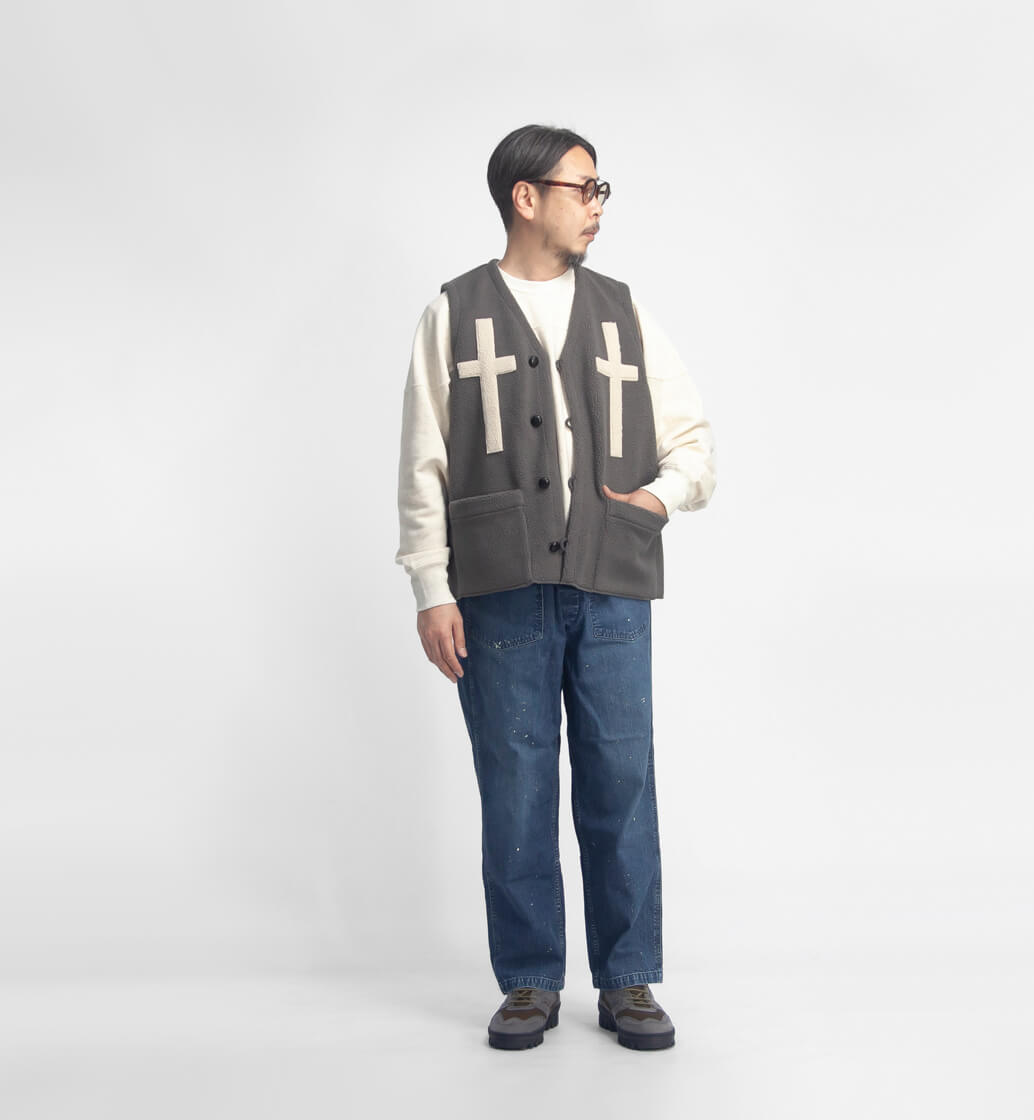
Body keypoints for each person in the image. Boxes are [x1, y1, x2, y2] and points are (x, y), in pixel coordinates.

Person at [395, 124, 715, 1051]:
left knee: (622, 782)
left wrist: (654, 500)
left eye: (601, 188)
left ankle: (629, 979)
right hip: (497, 589)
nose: (598, 206)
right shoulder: (452, 312)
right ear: (526, 197)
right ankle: (530, 980)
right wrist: (430, 587)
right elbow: (422, 461)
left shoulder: (624, 310)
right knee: (516, 786)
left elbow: (694, 444)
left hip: (611, 586)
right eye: (584, 187)